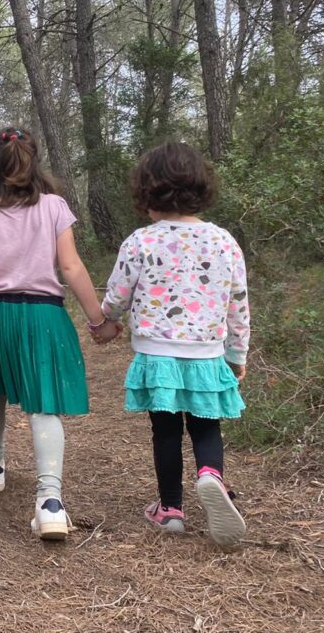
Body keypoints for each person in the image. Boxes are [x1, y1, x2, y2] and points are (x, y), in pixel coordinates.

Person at [0, 127, 121, 540]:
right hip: (44, 315)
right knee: (44, 405)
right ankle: (50, 503)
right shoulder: (54, 207)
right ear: (34, 165)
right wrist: (98, 320)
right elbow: (71, 267)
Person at [100, 141, 249, 546]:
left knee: (165, 431)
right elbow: (238, 304)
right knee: (206, 425)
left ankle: (170, 510)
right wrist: (237, 355)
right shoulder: (224, 241)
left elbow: (117, 294)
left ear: (148, 192)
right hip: (206, 354)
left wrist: (107, 319)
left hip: (158, 354)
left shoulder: (140, 241)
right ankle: (211, 475)